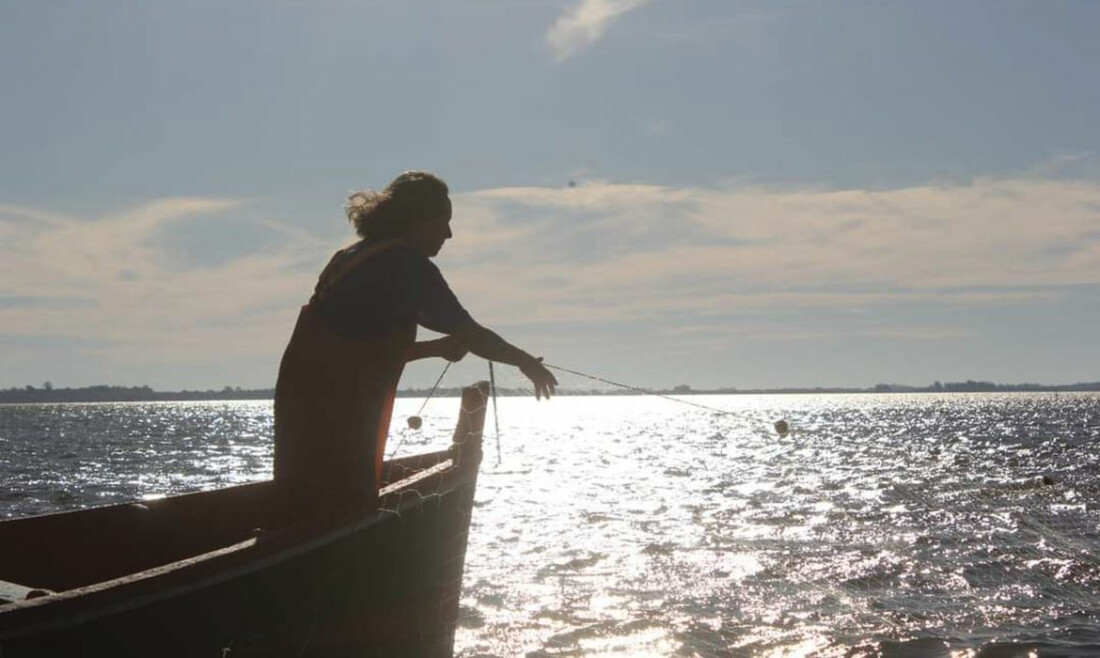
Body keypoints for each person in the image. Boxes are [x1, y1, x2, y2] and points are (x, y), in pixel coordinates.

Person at [273, 171, 557, 513]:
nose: (448, 234)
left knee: (298, 505)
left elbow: (359, 349)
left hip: (299, 411)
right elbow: (470, 332)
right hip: (339, 419)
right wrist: (525, 361)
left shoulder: (349, 258)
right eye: (443, 222)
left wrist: (435, 349)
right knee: (342, 508)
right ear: (417, 220)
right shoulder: (405, 265)